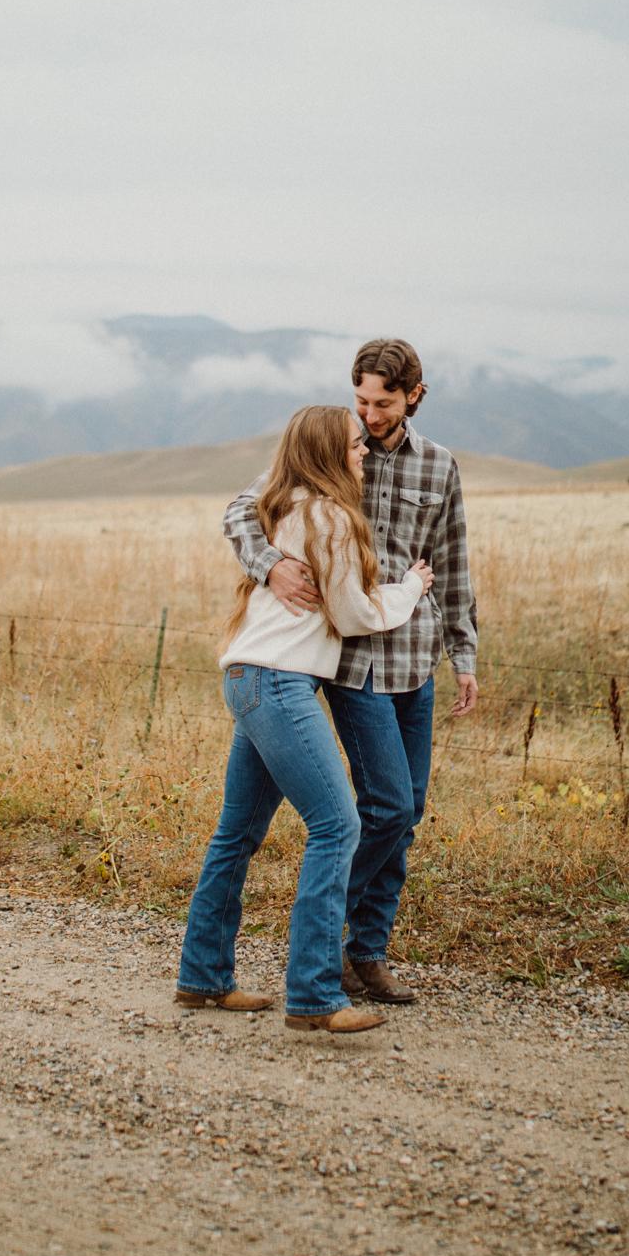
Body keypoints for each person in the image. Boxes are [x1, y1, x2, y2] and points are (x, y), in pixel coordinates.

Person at [224, 339, 478, 1005]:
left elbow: (451, 561)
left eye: (383, 403)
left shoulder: (439, 466)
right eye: (361, 400)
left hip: (415, 658)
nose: (369, 415)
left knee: (405, 813)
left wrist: (464, 654)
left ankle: (365, 952)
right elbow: (241, 510)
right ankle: (322, 940)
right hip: (355, 661)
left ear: (414, 396)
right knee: (383, 806)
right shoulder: (330, 450)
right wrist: (270, 567)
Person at [176, 405, 435, 1034]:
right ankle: (315, 995)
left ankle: (203, 977)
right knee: (338, 826)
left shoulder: (283, 505)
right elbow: (354, 615)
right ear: (326, 454)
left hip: (248, 678)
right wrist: (410, 588)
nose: (364, 452)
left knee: (237, 834)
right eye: (353, 445)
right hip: (278, 684)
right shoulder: (330, 517)